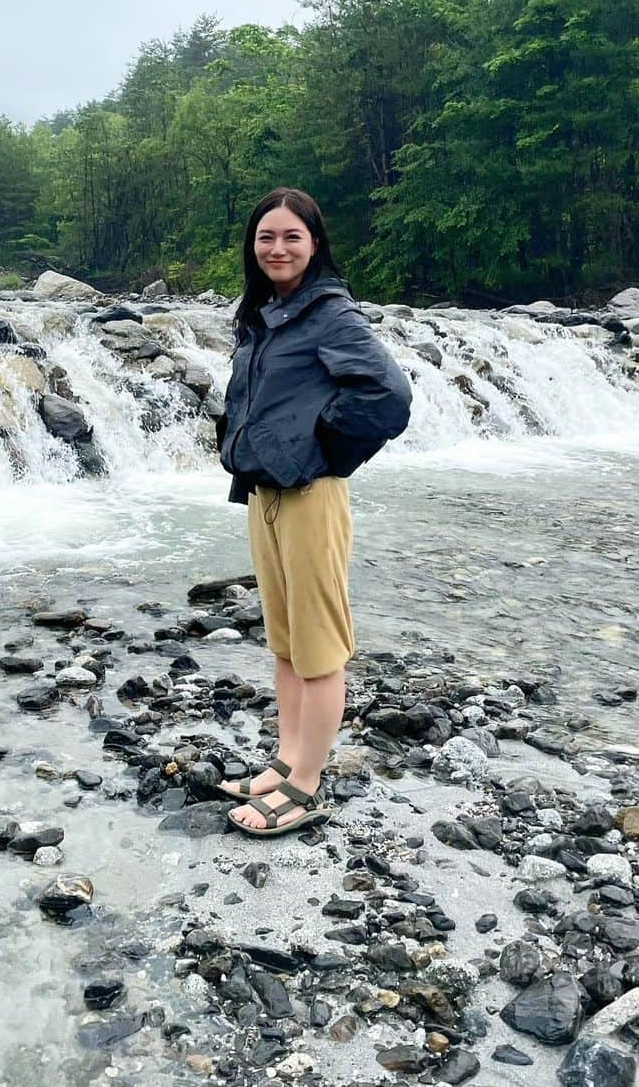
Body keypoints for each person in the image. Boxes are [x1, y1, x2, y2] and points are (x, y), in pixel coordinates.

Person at [216, 188, 411, 838]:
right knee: (286, 645)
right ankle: (286, 760)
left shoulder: (329, 314)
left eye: (291, 237)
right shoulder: (265, 312)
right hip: (265, 497)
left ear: (315, 244)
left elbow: (387, 396)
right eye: (266, 237)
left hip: (311, 497)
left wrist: (326, 450)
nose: (277, 248)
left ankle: (306, 785)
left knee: (319, 651)